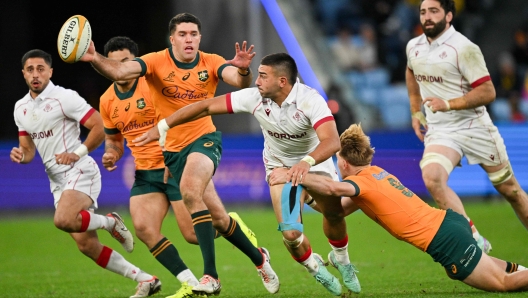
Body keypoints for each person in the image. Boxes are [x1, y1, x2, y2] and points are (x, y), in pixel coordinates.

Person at [78, 13, 279, 296]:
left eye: (193, 34)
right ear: (172, 38)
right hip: (169, 152)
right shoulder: (153, 64)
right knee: (208, 224)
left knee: (190, 192)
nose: (188, 39)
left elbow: (237, 80)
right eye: (182, 34)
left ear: (199, 38)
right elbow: (119, 79)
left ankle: (210, 277)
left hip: (204, 140)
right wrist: (94, 57)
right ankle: (258, 258)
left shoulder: (210, 61)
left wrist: (244, 71)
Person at [134, 52, 361, 296]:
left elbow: (331, 141)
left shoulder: (310, 100)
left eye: (263, 76)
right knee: (292, 235)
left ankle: (342, 260)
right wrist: (164, 126)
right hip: (279, 168)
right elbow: (206, 106)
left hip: (315, 164)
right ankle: (315, 268)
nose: (257, 81)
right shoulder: (255, 97)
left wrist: (304, 164)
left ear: (282, 81)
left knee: (334, 214)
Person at [269, 123, 528, 292]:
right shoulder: (377, 174)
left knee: (502, 285)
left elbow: (335, 189)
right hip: (449, 225)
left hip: (444, 238)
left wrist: (293, 175)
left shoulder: (361, 183)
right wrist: (309, 197)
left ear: (345, 164)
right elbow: (339, 209)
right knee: (485, 270)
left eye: (337, 161)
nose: (337, 167)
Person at [10, 49, 161, 298]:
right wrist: (21, 155)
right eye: (30, 69)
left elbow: (100, 125)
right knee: (87, 246)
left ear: (50, 72)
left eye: (40, 68)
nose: (35, 74)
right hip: (56, 180)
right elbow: (27, 150)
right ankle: (146, 279)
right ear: (24, 74)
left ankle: (110, 222)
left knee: (63, 220)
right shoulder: (20, 108)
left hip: (79, 169)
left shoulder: (64, 97)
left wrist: (77, 153)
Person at [406, 0, 528, 254]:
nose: (427, 17)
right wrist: (416, 110)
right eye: (423, 12)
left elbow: (488, 91)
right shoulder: (413, 46)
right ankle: (473, 238)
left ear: (449, 16)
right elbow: (411, 72)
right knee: (432, 178)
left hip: (474, 127)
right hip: (441, 130)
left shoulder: (464, 48)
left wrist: (448, 104)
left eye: (434, 11)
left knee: (512, 191)